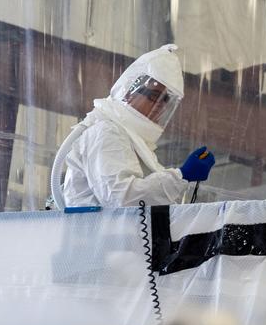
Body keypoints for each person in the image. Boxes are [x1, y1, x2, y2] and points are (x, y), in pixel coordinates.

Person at [59, 44, 215, 208]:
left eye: (165, 101)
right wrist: (182, 176)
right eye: (153, 96)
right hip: (94, 233)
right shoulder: (106, 131)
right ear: (129, 92)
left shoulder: (133, 139)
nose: (159, 107)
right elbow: (120, 198)